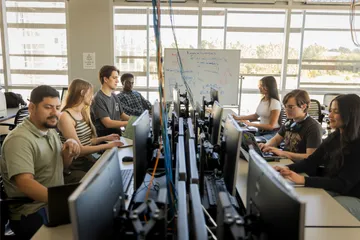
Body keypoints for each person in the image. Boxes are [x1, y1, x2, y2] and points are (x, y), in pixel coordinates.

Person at [0, 85, 80, 239]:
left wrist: (68, 152)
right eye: (48, 107)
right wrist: (63, 203)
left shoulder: (49, 130)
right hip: (32, 211)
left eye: (57, 107)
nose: (54, 112)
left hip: (50, 203)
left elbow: (62, 167)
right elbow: (25, 184)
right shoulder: (20, 140)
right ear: (31, 107)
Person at [274, 94, 360, 220]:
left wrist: (304, 180)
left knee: (318, 207)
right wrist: (284, 168)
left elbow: (342, 184)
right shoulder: (335, 137)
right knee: (298, 198)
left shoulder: (357, 145)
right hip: (340, 190)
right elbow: (310, 162)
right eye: (330, 111)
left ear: (351, 115)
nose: (329, 115)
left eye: (336, 112)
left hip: (354, 196)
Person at [58, 79, 124, 183]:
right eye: (91, 93)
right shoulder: (65, 117)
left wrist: (105, 138)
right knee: (106, 178)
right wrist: (108, 145)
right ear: (82, 93)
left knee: (114, 169)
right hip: (76, 164)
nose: (92, 97)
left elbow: (87, 141)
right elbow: (79, 150)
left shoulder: (83, 112)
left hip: (87, 159)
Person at [258, 89, 323, 161]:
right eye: (285, 106)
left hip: (300, 168)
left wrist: (282, 153)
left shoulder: (313, 127)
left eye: (290, 107)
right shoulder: (290, 121)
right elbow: (276, 139)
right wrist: (266, 146)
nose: (286, 110)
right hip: (286, 161)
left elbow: (311, 157)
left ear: (304, 106)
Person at [233, 76, 281, 140]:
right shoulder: (263, 100)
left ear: (269, 87)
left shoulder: (275, 103)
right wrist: (237, 118)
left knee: (251, 144)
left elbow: (271, 126)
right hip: (260, 131)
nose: (259, 87)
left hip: (271, 133)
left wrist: (251, 124)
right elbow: (255, 116)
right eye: (260, 85)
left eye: (262, 85)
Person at [91, 65, 129, 137]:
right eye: (114, 78)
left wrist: (136, 120)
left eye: (117, 78)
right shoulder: (98, 98)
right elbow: (108, 123)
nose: (117, 81)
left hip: (117, 135)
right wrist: (129, 123)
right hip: (106, 139)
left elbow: (122, 115)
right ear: (105, 79)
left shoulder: (114, 95)